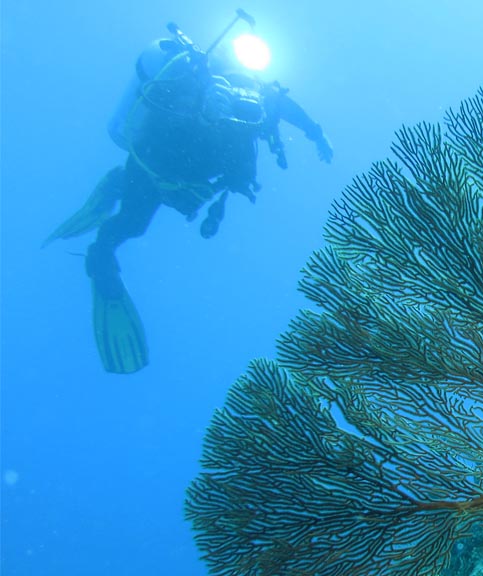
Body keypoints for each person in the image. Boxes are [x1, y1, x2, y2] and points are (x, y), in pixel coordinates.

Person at [43, 14, 333, 374]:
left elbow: (286, 108)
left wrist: (316, 133)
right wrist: (200, 105)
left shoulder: (258, 96)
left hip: (194, 183)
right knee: (133, 226)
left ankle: (118, 185)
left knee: (172, 207)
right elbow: (157, 111)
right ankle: (101, 255)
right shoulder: (190, 80)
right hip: (152, 169)